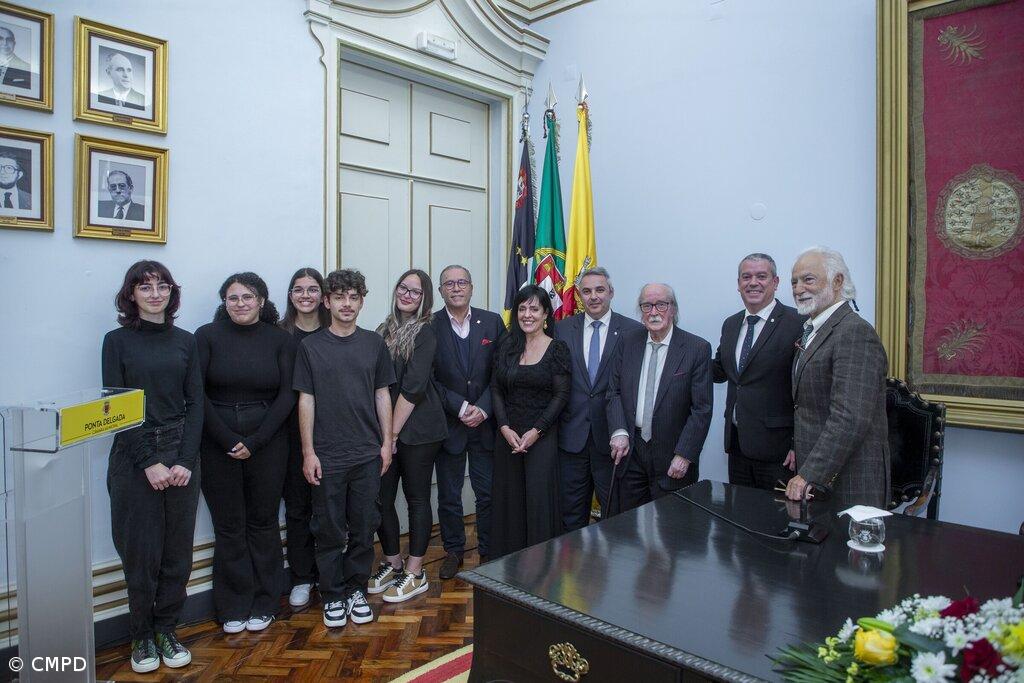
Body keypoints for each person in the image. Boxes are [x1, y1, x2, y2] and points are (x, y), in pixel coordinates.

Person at [101, 260, 202, 673]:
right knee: (141, 553)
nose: (155, 294)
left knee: (177, 553)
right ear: (132, 294)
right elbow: (115, 407)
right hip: (134, 456)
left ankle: (166, 630)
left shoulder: (186, 341)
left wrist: (185, 460)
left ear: (172, 293)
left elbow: (196, 404)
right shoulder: (116, 341)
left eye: (162, 286)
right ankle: (141, 636)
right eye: (145, 287)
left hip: (180, 453)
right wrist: (148, 462)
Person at [293, 269, 395, 629]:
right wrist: (308, 452)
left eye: (353, 297)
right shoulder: (310, 347)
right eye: (339, 297)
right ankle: (333, 594)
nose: (346, 304)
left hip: (367, 454)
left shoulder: (374, 344)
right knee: (329, 530)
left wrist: (387, 443)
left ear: (362, 301)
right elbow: (306, 400)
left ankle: (355, 590)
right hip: (327, 456)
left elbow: (382, 394)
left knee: (364, 528)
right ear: (327, 302)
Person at [195, 273, 295, 634]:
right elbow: (196, 393)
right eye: (233, 298)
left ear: (262, 301)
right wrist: (226, 439)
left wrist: (255, 441)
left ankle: (265, 602)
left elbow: (288, 395)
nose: (240, 304)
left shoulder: (280, 340)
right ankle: (232, 605)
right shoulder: (206, 336)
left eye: (248, 297)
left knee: (263, 522)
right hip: (216, 442)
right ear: (224, 302)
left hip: (268, 442)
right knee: (229, 525)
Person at [785, 247, 890, 508]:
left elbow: (849, 418)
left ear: (838, 281)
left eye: (808, 279)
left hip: (849, 480)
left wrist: (809, 474)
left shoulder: (854, 333)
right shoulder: (812, 330)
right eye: (794, 282)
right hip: (820, 476)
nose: (798, 289)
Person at [368, 269, 447, 602]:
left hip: (419, 429)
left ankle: (416, 571)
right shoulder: (381, 330)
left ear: (424, 298)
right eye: (403, 288)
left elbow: (413, 388)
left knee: (416, 498)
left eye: (415, 291)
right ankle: (393, 562)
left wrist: (392, 434)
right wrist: (384, 434)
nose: (407, 295)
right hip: (386, 429)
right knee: (380, 498)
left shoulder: (426, 332)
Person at [607, 283, 713, 514]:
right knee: (628, 525)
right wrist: (619, 431)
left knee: (671, 528)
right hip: (632, 453)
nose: (653, 312)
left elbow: (701, 409)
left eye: (661, 305)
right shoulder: (627, 342)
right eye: (647, 305)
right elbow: (613, 391)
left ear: (673, 309)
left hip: (673, 455)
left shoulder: (696, 348)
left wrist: (684, 454)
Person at [430, 264, 504, 579]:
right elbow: (428, 378)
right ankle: (454, 551)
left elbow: (502, 370)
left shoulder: (493, 322)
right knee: (449, 495)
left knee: (487, 492)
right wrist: (459, 407)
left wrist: (484, 408)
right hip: (450, 425)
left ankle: (488, 550)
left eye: (462, 282)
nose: (456, 288)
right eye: (449, 283)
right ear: (441, 291)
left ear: (471, 287)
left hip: (485, 425)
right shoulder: (429, 325)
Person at [555, 266, 641, 531]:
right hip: (572, 438)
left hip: (613, 439)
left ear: (611, 292)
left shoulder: (633, 331)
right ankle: (574, 559)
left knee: (615, 515)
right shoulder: (561, 329)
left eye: (600, 290)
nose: (593, 296)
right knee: (571, 515)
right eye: (587, 291)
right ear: (579, 295)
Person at [489, 284, 571, 558]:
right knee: (509, 500)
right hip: (508, 437)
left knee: (538, 502)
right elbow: (496, 389)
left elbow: (561, 395)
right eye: (522, 309)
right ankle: (507, 564)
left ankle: (540, 567)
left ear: (546, 314)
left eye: (534, 309)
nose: (527, 315)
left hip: (541, 437)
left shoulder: (557, 349)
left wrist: (537, 431)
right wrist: (504, 427)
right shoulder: (506, 346)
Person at [712, 253, 805, 490]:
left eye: (761, 276)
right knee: (740, 510)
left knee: (777, 513)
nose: (753, 283)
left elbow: (806, 390)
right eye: (746, 277)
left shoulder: (797, 322)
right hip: (737, 446)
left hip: (779, 451)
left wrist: (798, 444)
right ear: (738, 284)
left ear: (775, 282)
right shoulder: (731, 324)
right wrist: (682, 349)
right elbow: (720, 371)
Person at [278, 268, 330, 609]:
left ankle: (328, 574)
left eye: (313, 289)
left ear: (323, 296)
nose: (306, 295)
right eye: (299, 289)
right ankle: (301, 576)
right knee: (297, 509)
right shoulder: (278, 334)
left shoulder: (334, 331)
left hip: (329, 433)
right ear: (291, 295)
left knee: (328, 509)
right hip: (288, 435)